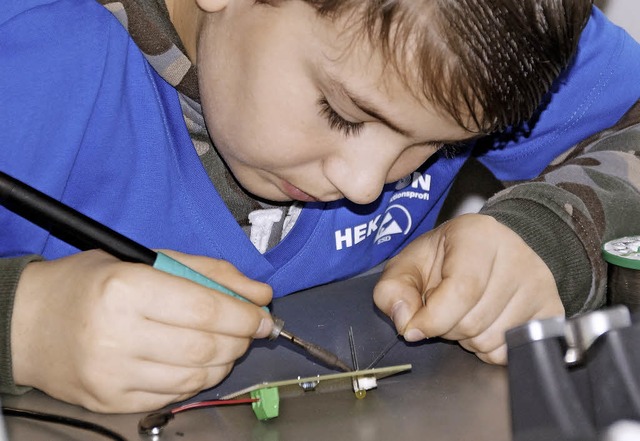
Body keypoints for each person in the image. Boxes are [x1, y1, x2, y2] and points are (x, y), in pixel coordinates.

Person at [0, 0, 638, 413]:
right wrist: (21, 325)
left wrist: (552, 232)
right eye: (342, 113)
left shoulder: (475, 31)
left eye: (442, 144)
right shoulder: (33, 50)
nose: (365, 186)